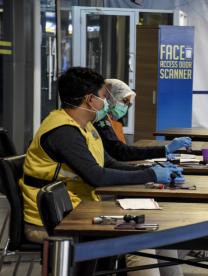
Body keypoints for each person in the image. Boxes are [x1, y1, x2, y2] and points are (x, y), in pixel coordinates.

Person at [18, 67, 184, 276]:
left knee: (159, 230)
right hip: (53, 217)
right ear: (90, 99)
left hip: (79, 206)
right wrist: (150, 176)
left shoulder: (85, 126)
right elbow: (97, 177)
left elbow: (109, 163)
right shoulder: (63, 132)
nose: (106, 102)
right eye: (104, 96)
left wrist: (151, 169)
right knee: (139, 239)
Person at [94, 78, 192, 161]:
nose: (126, 107)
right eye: (124, 101)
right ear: (108, 96)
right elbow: (120, 152)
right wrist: (164, 150)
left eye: (128, 104)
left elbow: (120, 152)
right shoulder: (98, 119)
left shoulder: (109, 119)